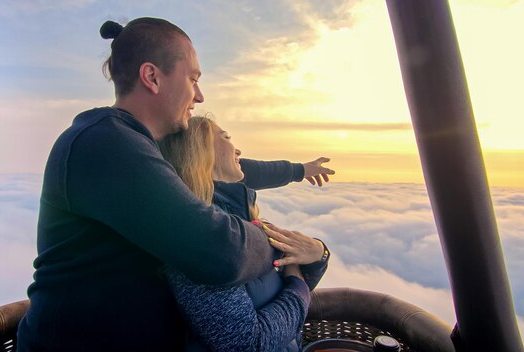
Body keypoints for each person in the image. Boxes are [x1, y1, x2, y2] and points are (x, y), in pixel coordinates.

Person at [17, 17, 334, 351]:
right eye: (193, 78)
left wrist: (298, 170)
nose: (199, 95)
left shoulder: (143, 150)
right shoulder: (105, 143)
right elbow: (220, 252)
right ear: (152, 77)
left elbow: (231, 169)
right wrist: (279, 242)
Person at [159, 116, 331, 351]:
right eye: (227, 138)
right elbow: (247, 345)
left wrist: (319, 254)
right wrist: (298, 285)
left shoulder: (247, 223)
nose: (238, 149)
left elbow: (284, 287)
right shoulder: (200, 236)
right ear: (201, 150)